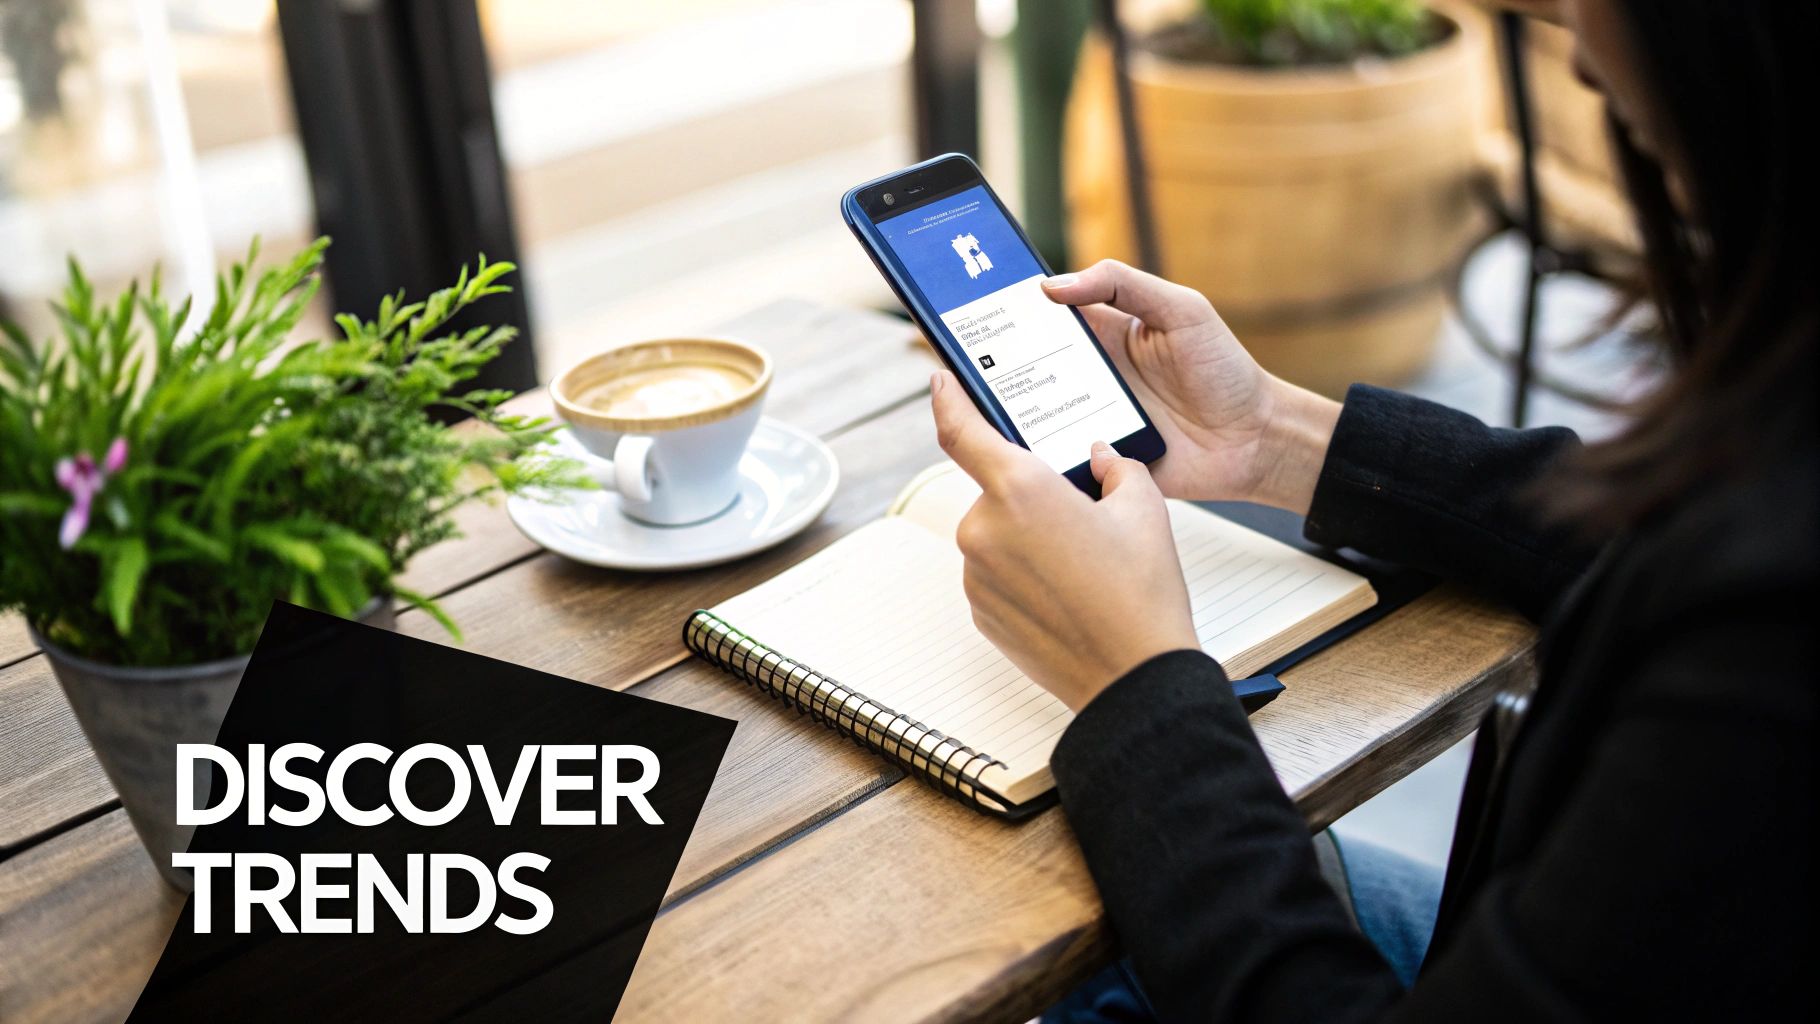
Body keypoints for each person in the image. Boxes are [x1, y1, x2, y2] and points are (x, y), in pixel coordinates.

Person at [928, 1, 1815, 1018]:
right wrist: (1272, 435)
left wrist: (1132, 685)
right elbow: (1663, 537)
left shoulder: (1766, 643)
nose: (1566, 41)